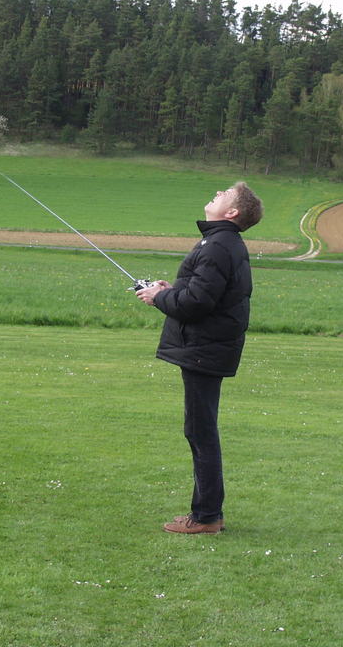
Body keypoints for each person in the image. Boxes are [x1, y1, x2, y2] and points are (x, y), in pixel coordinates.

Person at [136, 182, 263, 534]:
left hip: (204, 350)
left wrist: (158, 299)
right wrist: (170, 290)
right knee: (199, 429)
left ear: (232, 212)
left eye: (226, 194)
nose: (218, 193)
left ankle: (207, 517)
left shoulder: (219, 245)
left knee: (200, 431)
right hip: (206, 348)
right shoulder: (219, 242)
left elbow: (196, 304)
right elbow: (201, 293)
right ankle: (206, 513)